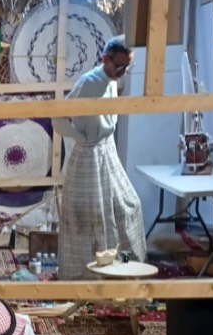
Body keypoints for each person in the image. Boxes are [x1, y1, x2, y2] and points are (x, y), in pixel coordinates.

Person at [51, 38, 146, 281]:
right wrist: (78, 137)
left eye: (127, 67)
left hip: (107, 151)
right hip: (88, 156)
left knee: (128, 207)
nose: (123, 73)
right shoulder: (88, 83)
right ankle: (85, 278)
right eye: (120, 67)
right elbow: (57, 118)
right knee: (88, 221)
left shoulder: (112, 80)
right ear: (105, 59)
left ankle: (124, 271)